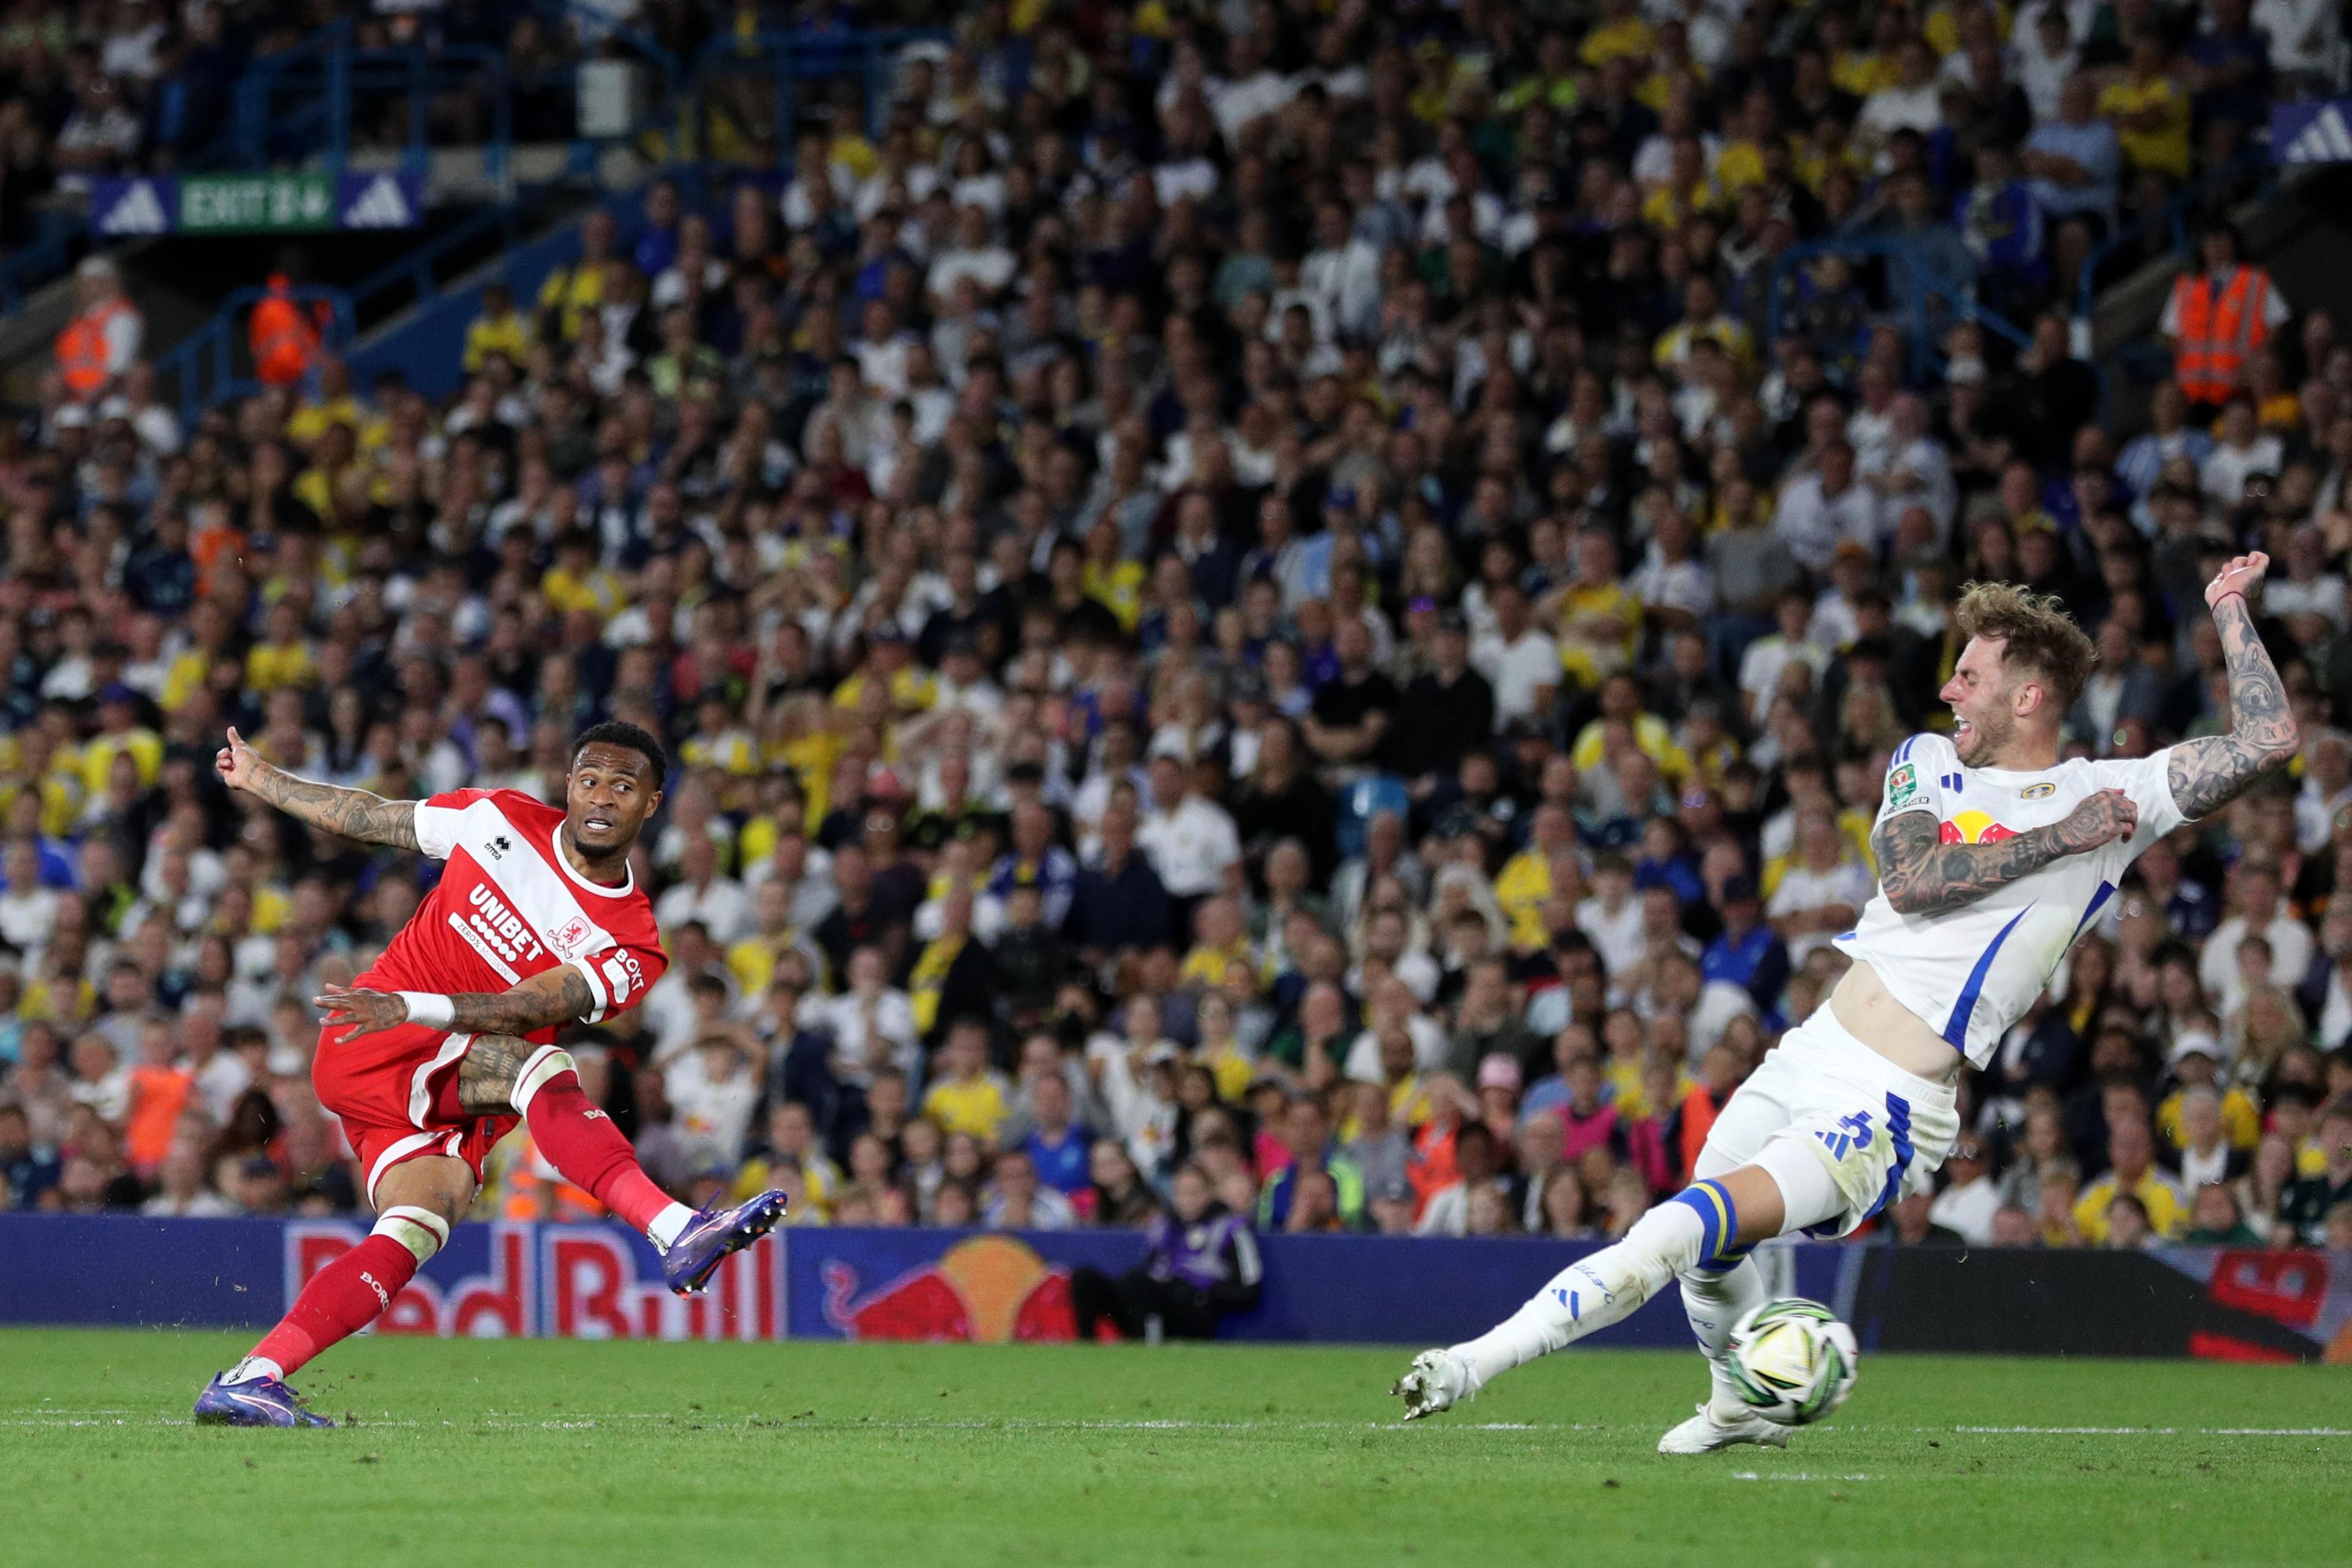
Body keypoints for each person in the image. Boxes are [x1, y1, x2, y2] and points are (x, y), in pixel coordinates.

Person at [1393, 563, 2297, 1451]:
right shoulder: (1929, 761)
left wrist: (2226, 609)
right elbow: (1911, 882)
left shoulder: (2116, 794)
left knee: (1676, 1226)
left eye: (1970, 676)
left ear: (2027, 698)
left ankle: (1468, 1366)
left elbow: (2267, 740)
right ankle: (1737, 1406)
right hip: (1809, 1048)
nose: (1948, 689)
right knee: (1708, 1260)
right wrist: (2059, 840)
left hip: (1888, 1100)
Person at [192, 722, 789, 1427]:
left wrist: (410, 1005)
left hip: (445, 1073)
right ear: (568, 784)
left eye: (623, 787)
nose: (601, 798)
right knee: (544, 1065)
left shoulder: (631, 943)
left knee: (416, 1228)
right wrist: (262, 780)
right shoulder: (496, 818)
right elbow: (374, 816)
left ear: (651, 804)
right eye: (589, 780)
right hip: (380, 1041)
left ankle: (252, 1376)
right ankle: (673, 1226)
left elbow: (525, 1005)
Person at [1070, 1162, 1262, 1340]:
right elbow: (1146, 1269)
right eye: (1180, 1193)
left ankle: (1151, 1346)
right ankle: (1086, 1346)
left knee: (1141, 1285)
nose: (1186, 1200)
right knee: (1085, 1279)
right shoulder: (1162, 1227)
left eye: (1193, 1192)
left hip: (1193, 1311)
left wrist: (1205, 1293)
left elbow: (1248, 1290)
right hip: (1151, 1300)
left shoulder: (1230, 1229)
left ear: (1209, 1193)